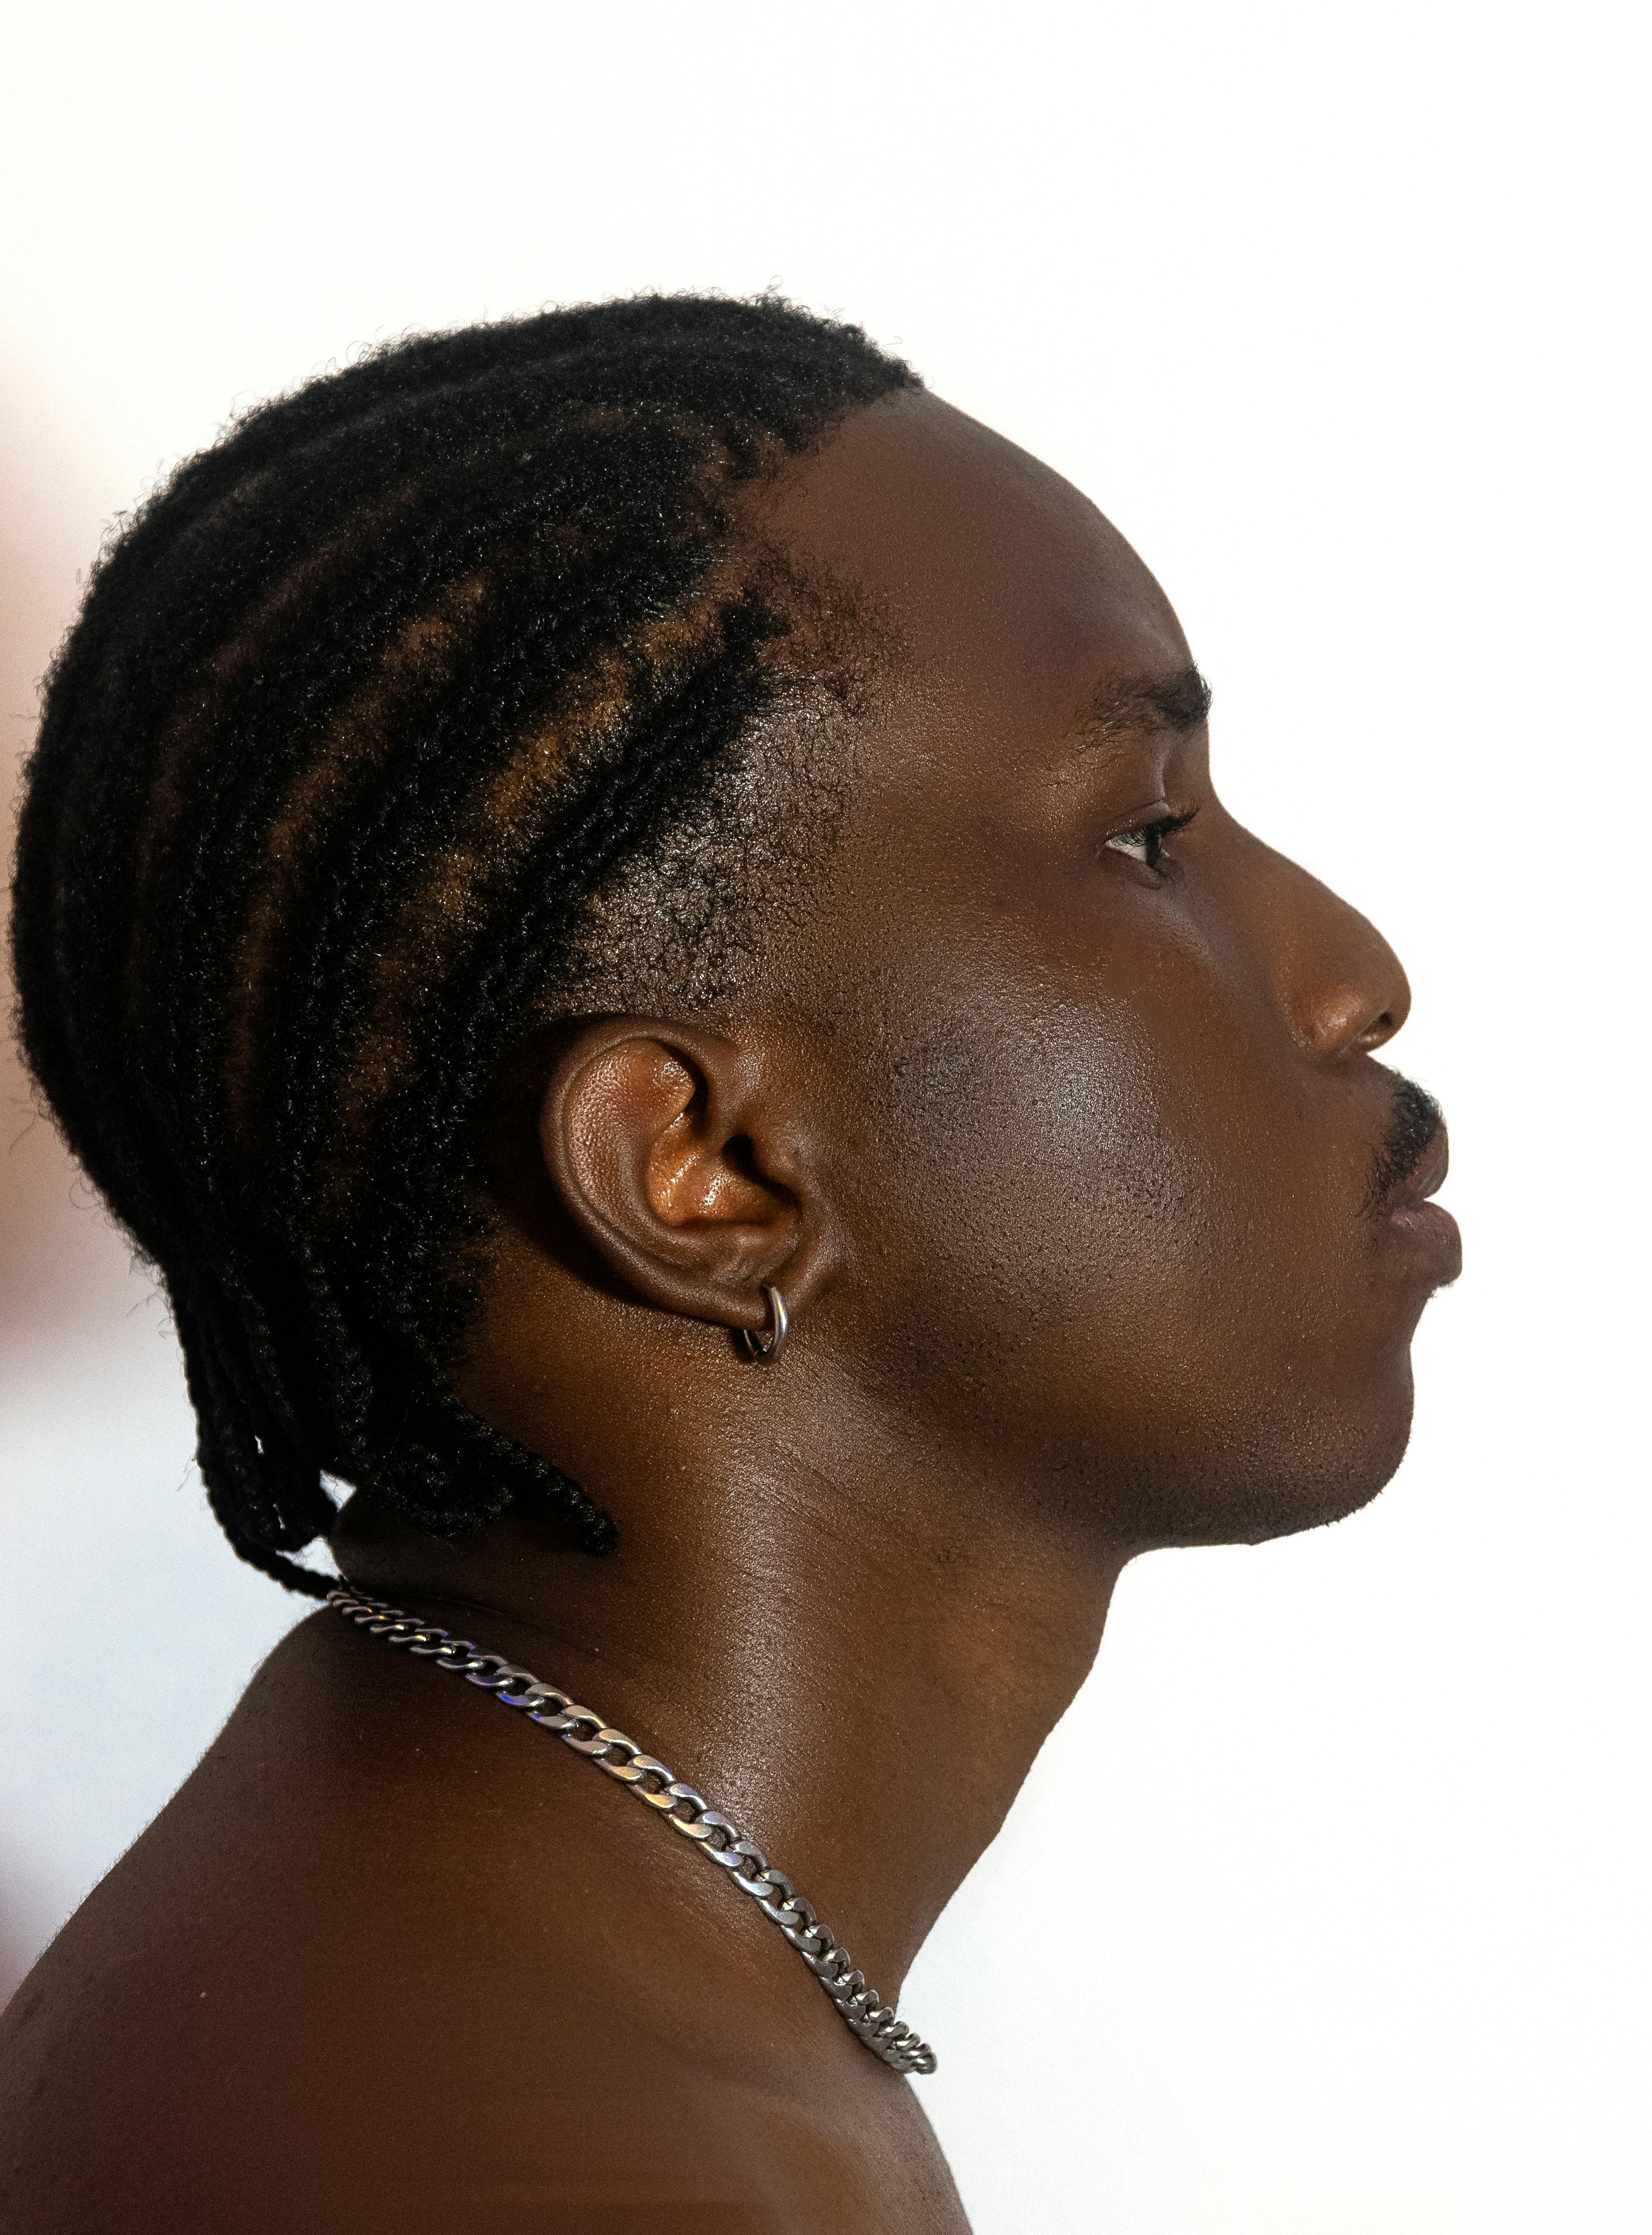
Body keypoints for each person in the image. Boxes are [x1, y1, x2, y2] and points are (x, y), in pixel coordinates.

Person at [0, 294, 1459, 2234]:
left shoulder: (477, 1968)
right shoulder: (519, 2159)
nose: (1353, 971)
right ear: (698, 1168)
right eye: (1145, 835)